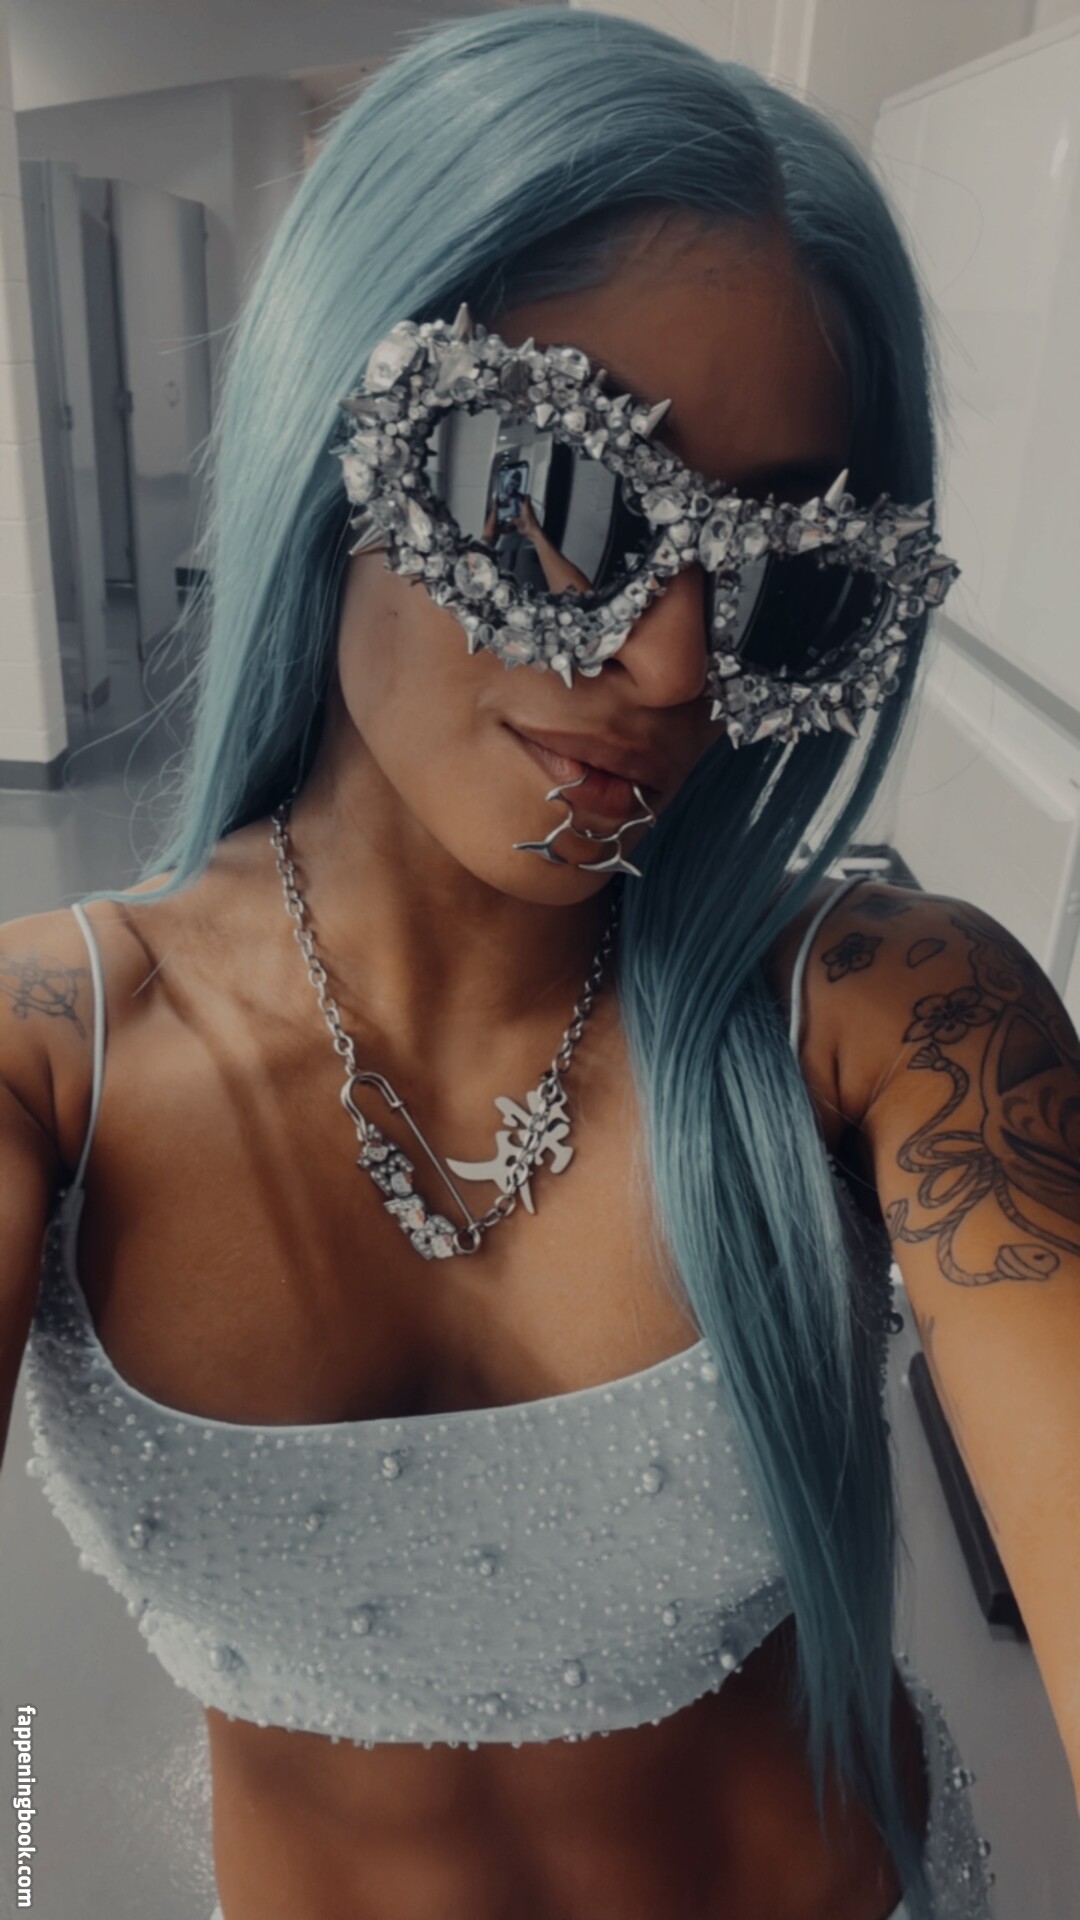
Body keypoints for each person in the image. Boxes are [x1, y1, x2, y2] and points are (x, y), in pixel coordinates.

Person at [2, 9, 1075, 1919]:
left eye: (786, 576)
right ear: (341, 436)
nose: (669, 665)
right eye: (560, 495)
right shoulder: (44, 1058)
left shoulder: (895, 1020)